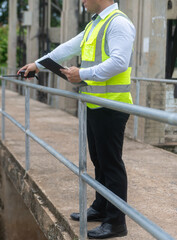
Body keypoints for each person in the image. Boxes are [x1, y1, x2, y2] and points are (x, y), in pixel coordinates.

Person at [18, 0, 135, 239]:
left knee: (111, 164)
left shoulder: (118, 23)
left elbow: (119, 61)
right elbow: (66, 49)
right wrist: (37, 66)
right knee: (99, 162)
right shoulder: (95, 25)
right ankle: (101, 207)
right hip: (95, 103)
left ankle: (116, 222)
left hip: (112, 106)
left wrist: (82, 74)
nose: (81, 1)